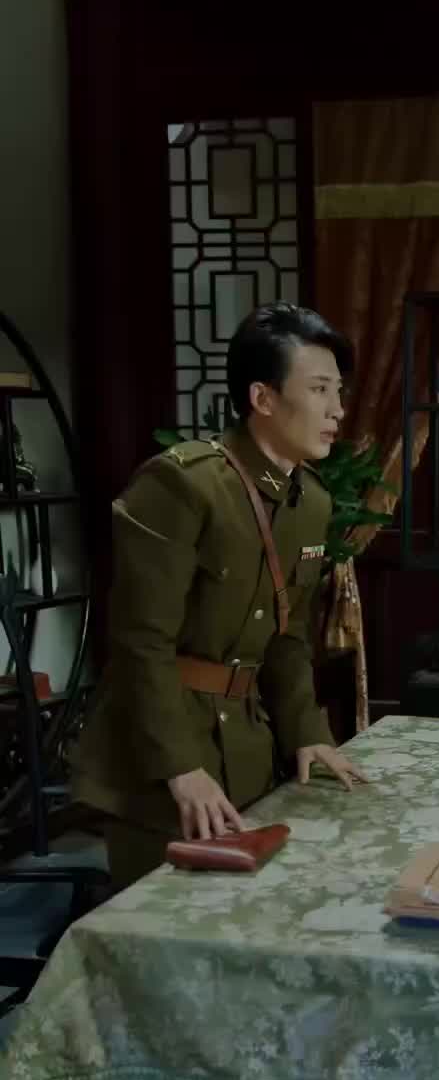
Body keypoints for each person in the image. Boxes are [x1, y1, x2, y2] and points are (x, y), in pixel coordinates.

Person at [73, 301, 365, 891]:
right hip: (159, 757)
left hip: (249, 747)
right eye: (319, 389)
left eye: (338, 391)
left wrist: (307, 730)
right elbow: (140, 641)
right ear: (263, 398)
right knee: (162, 919)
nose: (337, 409)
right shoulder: (183, 484)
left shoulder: (310, 501)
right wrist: (180, 766)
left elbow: (287, 637)